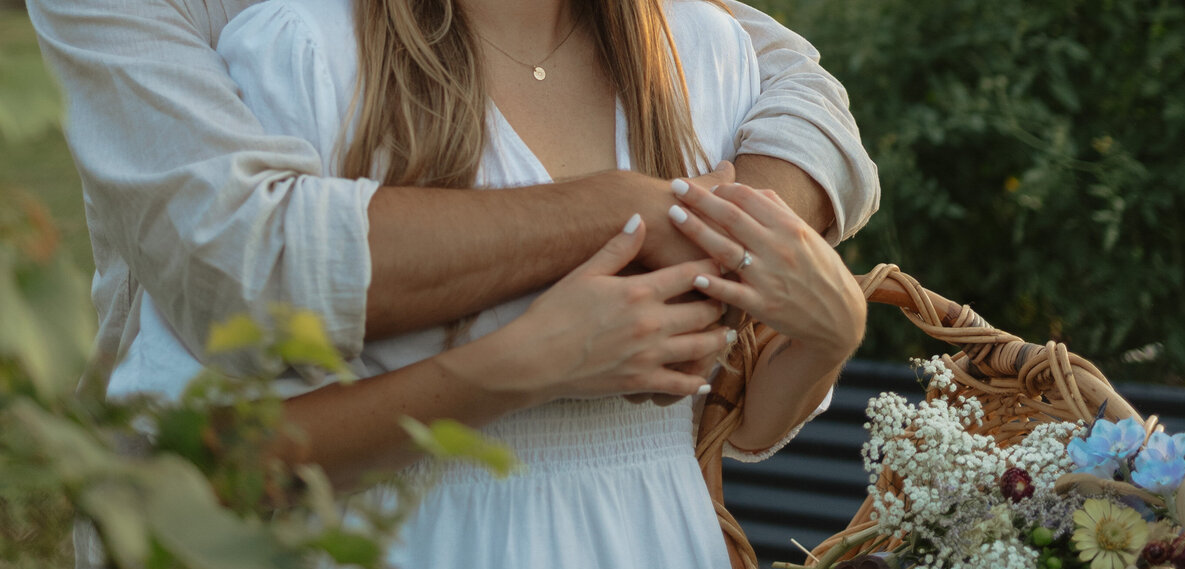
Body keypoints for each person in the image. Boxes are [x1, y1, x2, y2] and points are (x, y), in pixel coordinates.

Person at [32, 0, 875, 569]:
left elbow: (730, 406)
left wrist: (832, 328)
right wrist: (529, 350)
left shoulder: (706, 55)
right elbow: (236, 378)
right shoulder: (297, 52)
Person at [29, 0, 878, 394]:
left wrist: (716, 247)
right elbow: (250, 263)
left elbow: (795, 89)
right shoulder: (284, 43)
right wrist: (628, 210)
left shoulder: (674, 34)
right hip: (256, 547)